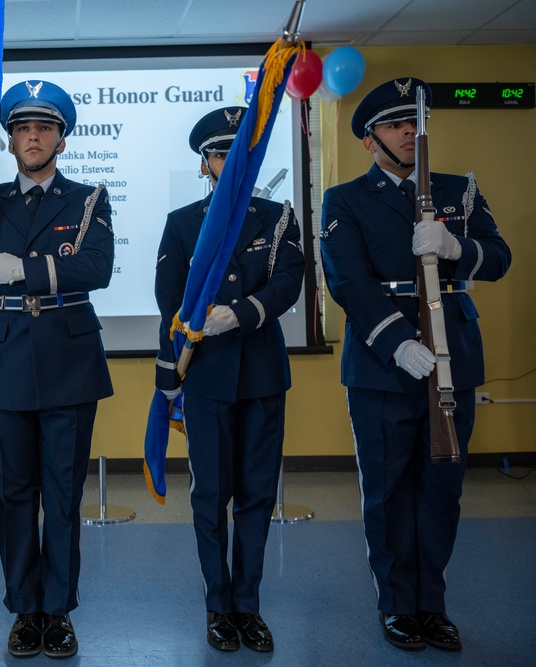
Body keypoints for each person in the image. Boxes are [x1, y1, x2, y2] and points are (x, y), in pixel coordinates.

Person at [319, 77, 511, 652]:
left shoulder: (458, 190)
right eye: (395, 124)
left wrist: (458, 248)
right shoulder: (346, 199)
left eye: (414, 123)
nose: (408, 132)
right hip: (385, 365)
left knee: (442, 488)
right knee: (387, 490)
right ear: (368, 140)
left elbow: (498, 257)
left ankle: (432, 602)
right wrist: (397, 340)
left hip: (453, 358)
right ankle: (397, 604)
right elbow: (348, 281)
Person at [0, 79, 114, 659]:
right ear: (11, 141)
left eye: (44, 128)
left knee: (64, 494)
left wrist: (22, 269)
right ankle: (25, 609)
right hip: (6, 364)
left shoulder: (90, 198)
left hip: (69, 362)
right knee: (17, 494)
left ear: (61, 140)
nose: (33, 137)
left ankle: (59, 610)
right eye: (22, 128)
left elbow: (96, 268)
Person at [153, 107, 305, 654]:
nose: (229, 162)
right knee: (211, 496)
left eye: (239, 153)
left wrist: (240, 313)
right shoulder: (183, 222)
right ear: (205, 164)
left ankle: (249, 606)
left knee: (258, 496)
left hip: (262, 372)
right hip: (208, 375)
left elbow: (289, 281)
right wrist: (170, 370)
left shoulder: (278, 216)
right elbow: (168, 299)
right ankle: (218, 606)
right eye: (220, 153)